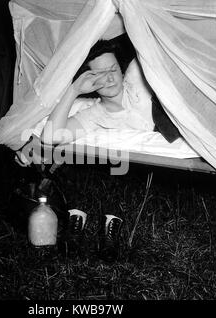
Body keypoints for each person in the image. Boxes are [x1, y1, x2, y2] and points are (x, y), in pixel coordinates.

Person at [41, 39, 158, 261]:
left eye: (114, 69)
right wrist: (74, 90)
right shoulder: (93, 113)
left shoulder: (139, 85)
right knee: (93, 158)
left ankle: (109, 224)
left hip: (141, 169)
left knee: (118, 163)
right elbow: (50, 137)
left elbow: (152, 48)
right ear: (89, 80)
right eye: (101, 73)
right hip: (119, 166)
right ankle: (82, 220)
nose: (111, 77)